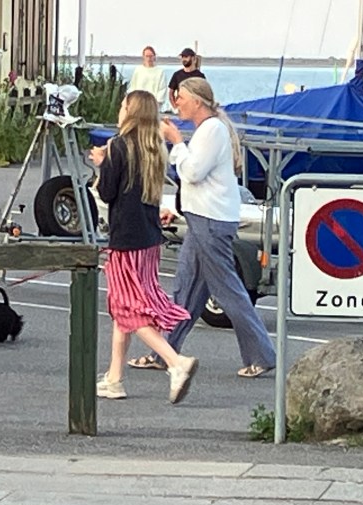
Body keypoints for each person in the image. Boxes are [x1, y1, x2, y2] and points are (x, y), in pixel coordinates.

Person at [130, 77, 276, 378]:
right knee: (186, 288)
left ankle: (261, 355)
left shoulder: (212, 130)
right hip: (202, 218)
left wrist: (177, 142)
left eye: (181, 98)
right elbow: (198, 179)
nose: (177, 104)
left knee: (227, 289)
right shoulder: (208, 130)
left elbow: (194, 172)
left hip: (210, 221)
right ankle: (165, 352)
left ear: (197, 101)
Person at [89, 91, 199, 404]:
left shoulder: (118, 146)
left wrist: (102, 164)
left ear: (131, 112)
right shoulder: (153, 147)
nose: (119, 109)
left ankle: (175, 362)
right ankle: (114, 378)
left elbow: (107, 193)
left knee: (127, 308)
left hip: (125, 240)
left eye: (123, 105)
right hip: (148, 239)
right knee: (125, 306)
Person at [128, 45, 167, 110]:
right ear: (143, 57)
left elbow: (162, 89)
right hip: (139, 104)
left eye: (151, 56)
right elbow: (133, 87)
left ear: (154, 56)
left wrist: (156, 103)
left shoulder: (160, 72)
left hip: (153, 105)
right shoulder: (138, 70)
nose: (149, 58)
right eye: (147, 56)